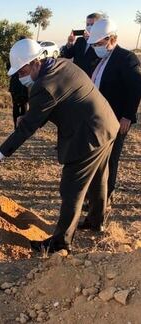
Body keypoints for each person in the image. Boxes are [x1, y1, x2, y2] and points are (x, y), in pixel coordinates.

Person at [0, 39, 119, 253]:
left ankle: (61, 243)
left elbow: (25, 130)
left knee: (72, 188)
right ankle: (96, 222)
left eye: (22, 70)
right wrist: (32, 117)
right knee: (99, 177)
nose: (20, 76)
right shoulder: (61, 64)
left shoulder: (44, 86)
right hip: (106, 124)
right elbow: (56, 104)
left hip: (88, 135)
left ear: (35, 63)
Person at [79, 18, 141, 228]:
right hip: (94, 120)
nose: (96, 47)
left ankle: (104, 202)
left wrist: (127, 116)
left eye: (99, 44)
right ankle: (94, 201)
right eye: (94, 44)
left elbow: (135, 89)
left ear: (112, 39)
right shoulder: (96, 58)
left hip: (116, 120)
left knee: (109, 163)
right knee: (94, 161)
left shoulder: (127, 58)